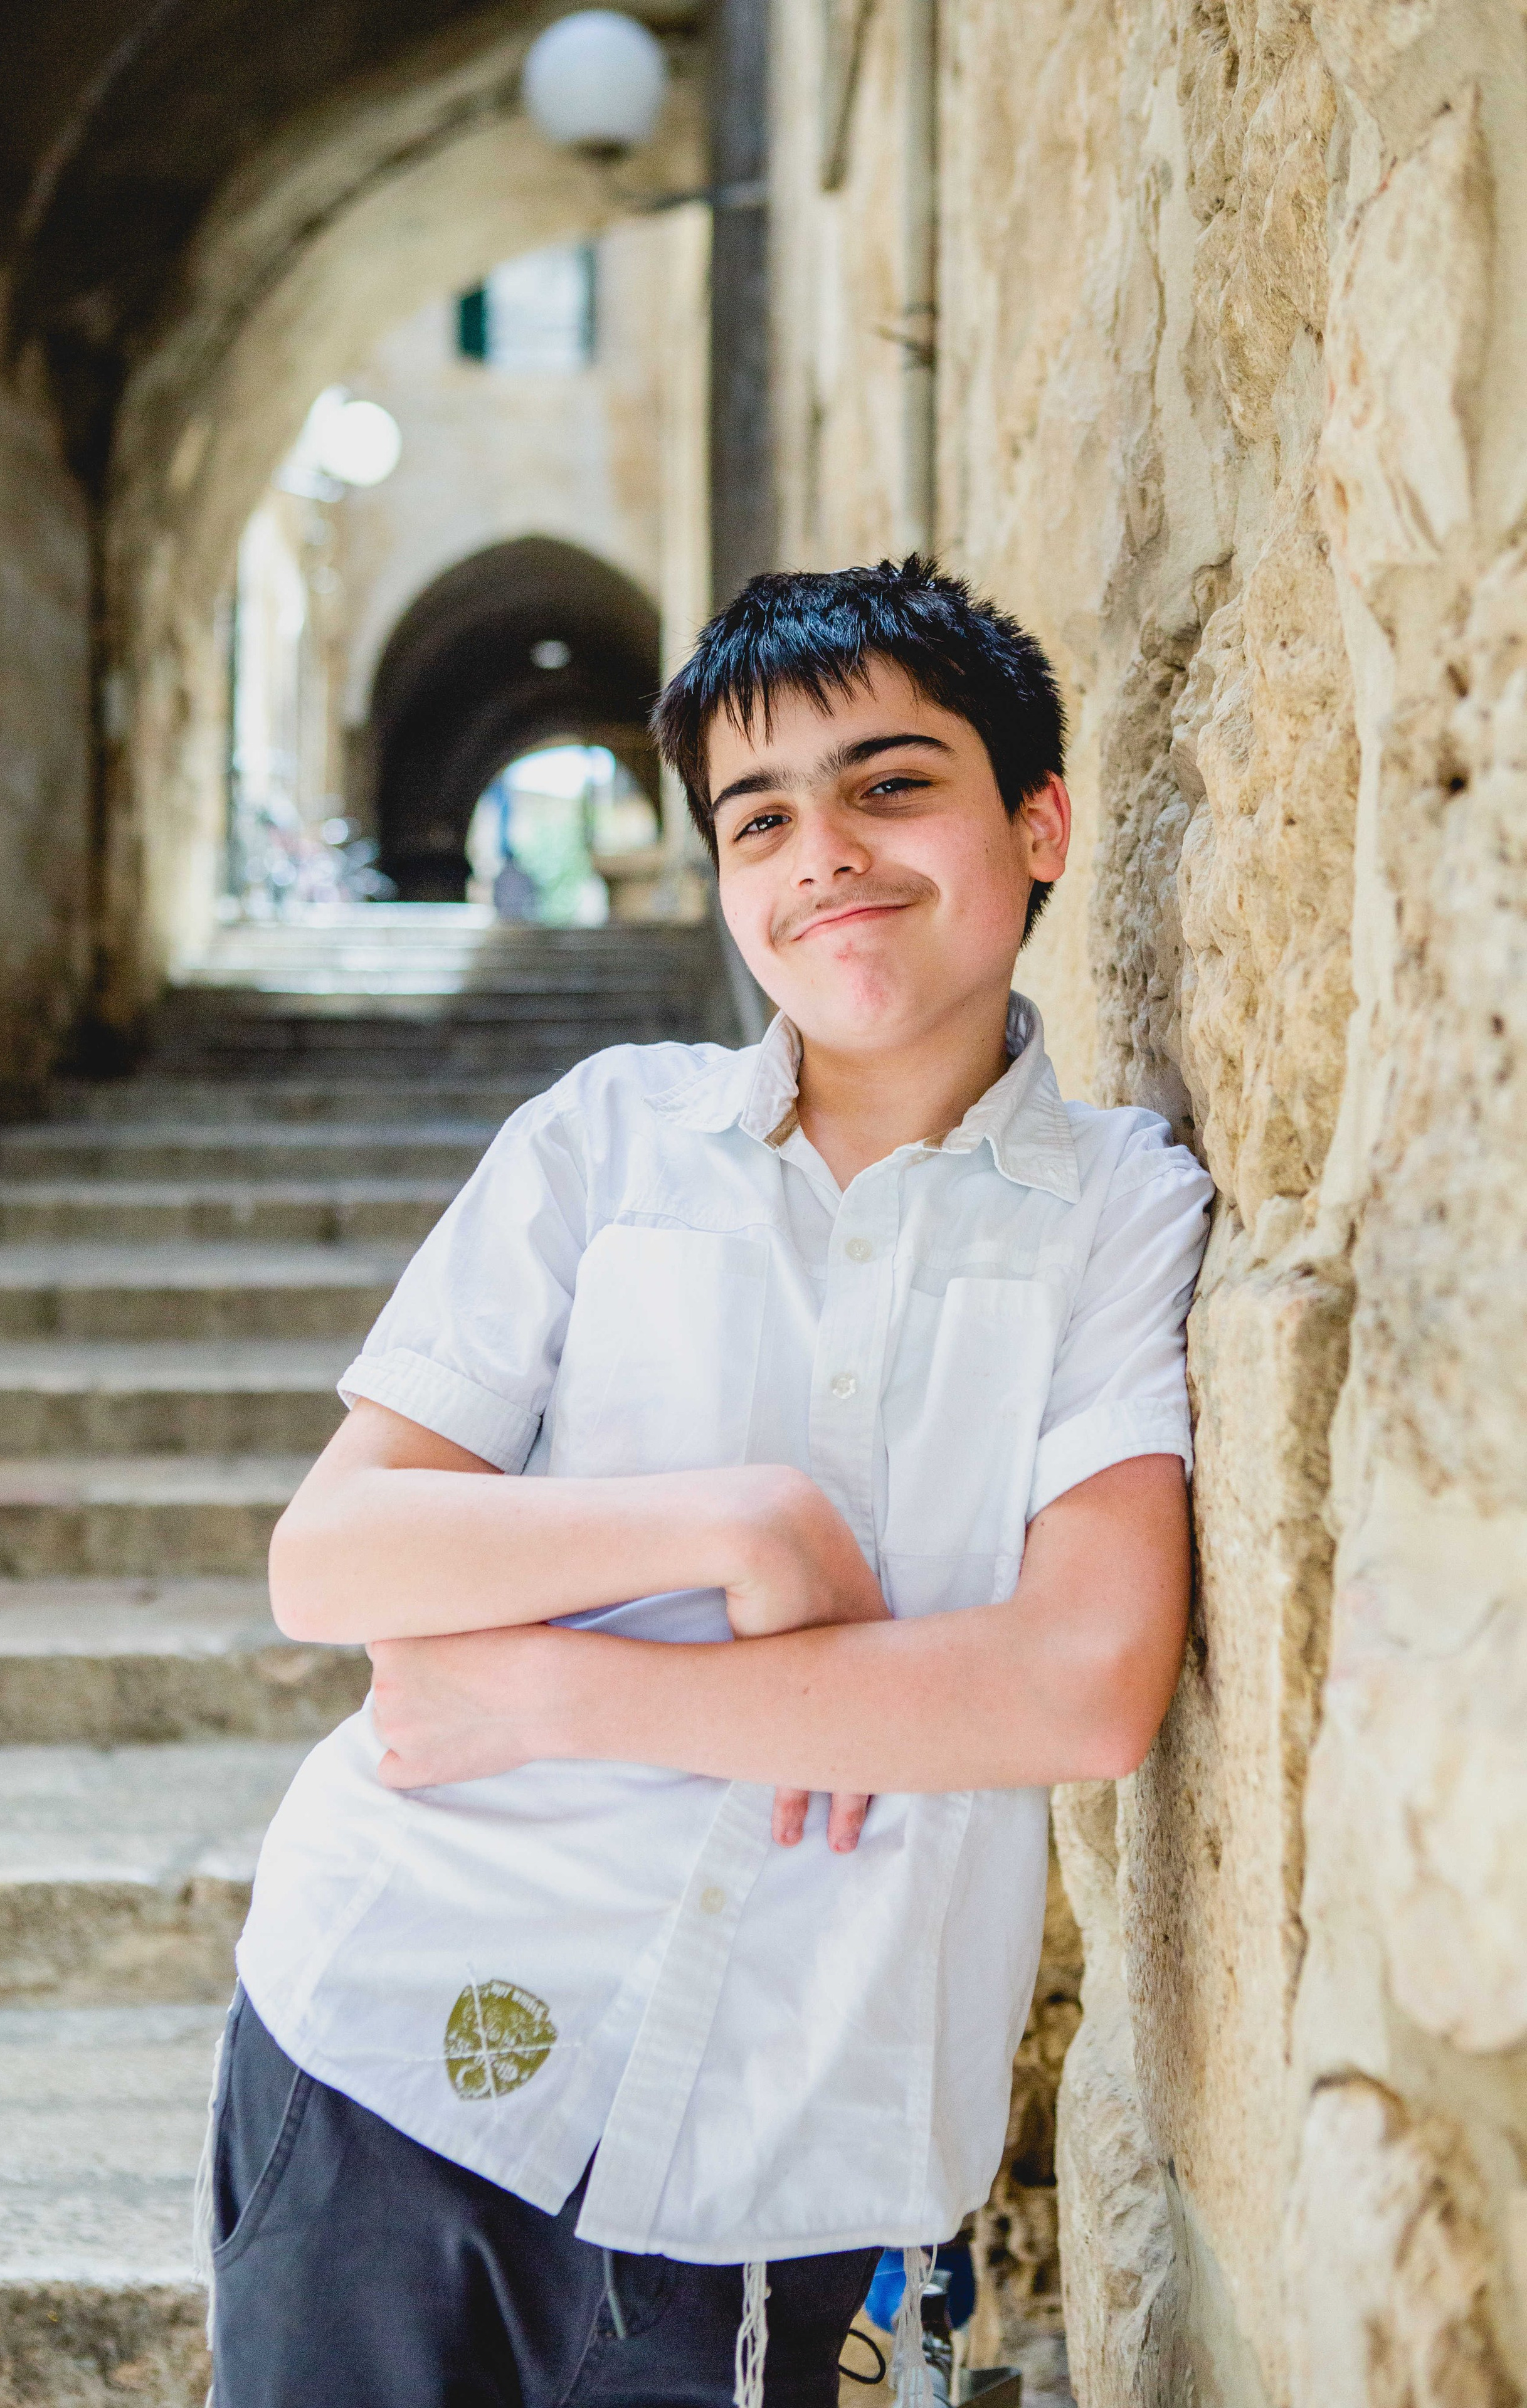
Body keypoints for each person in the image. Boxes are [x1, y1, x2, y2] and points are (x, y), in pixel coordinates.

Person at [205, 558, 1212, 2408]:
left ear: (1040, 819)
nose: (824, 846)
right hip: (398, 2043)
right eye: (762, 815)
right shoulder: (604, 1138)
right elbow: (334, 1554)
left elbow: (1080, 1679)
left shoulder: (1129, 1210)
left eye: (893, 783)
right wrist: (733, 1527)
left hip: (801, 2145)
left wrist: (549, 1681)